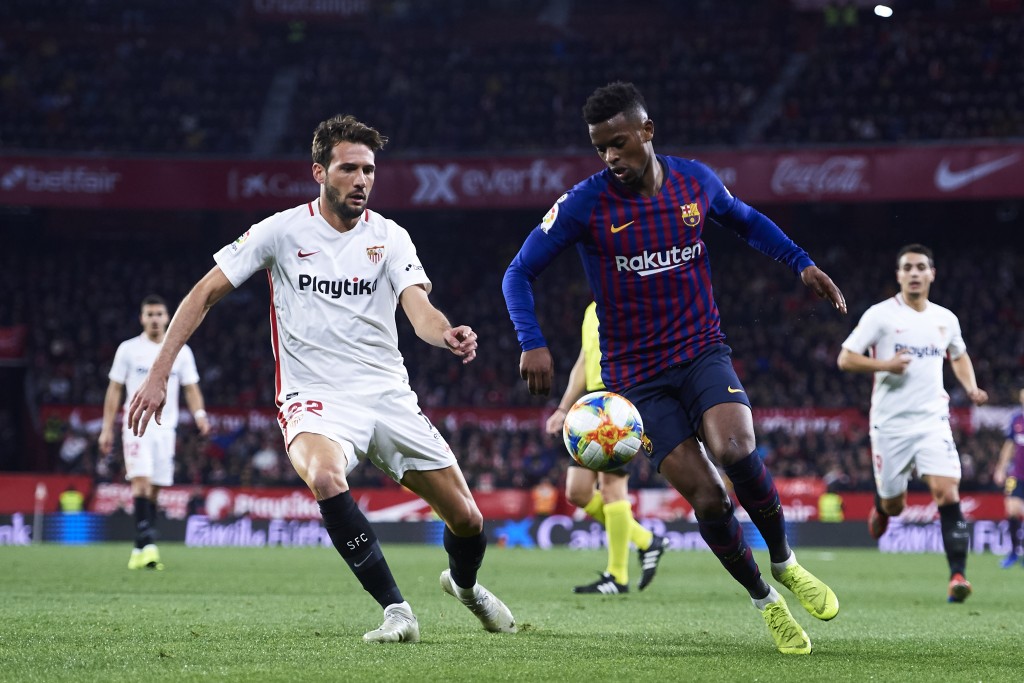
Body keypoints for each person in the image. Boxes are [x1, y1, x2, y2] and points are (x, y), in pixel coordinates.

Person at [126, 114, 515, 643]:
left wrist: (446, 333)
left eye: (369, 170)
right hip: (314, 396)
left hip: (387, 394)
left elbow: (418, 307)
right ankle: (397, 611)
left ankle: (465, 587)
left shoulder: (390, 237)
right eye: (349, 168)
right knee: (327, 478)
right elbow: (203, 293)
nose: (361, 180)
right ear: (319, 172)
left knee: (467, 520)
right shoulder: (281, 231)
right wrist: (159, 373)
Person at [503, 81, 844, 655]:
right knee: (708, 498)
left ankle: (785, 562)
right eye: (600, 148)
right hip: (637, 379)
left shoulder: (695, 182)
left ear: (647, 131)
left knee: (736, 448)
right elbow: (518, 272)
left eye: (618, 142)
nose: (610, 157)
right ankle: (765, 600)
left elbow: (746, 220)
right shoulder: (584, 204)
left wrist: (800, 263)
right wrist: (531, 341)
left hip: (701, 351)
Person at [838, 243, 988, 602]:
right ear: (899, 275)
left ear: (932, 273)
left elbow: (959, 355)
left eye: (921, 267)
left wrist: (971, 387)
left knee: (946, 491)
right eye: (908, 268)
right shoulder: (880, 316)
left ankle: (957, 576)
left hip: (933, 420)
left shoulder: (945, 319)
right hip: (890, 425)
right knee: (895, 505)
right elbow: (845, 358)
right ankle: (882, 506)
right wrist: (885, 365)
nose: (915, 273)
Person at [545, 301, 669, 594]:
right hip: (592, 405)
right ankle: (646, 541)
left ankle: (617, 576)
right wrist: (563, 408)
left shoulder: (628, 301)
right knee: (577, 491)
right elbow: (584, 361)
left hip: (619, 400)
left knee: (612, 488)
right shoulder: (591, 310)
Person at [99, 295, 210, 570]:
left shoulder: (181, 351)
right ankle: (149, 544)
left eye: (159, 314)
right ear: (142, 319)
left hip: (166, 429)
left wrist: (199, 415)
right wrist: (106, 428)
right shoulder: (128, 350)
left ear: (168, 317)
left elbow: (191, 387)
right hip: (136, 426)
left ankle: (139, 547)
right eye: (149, 314)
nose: (155, 319)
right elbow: (114, 389)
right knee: (141, 481)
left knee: (156, 488)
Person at [993, 387, 1024, 568]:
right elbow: (1009, 446)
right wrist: (1000, 468)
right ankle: (1013, 553)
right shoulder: (1017, 420)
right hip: (1016, 475)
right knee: (1011, 509)